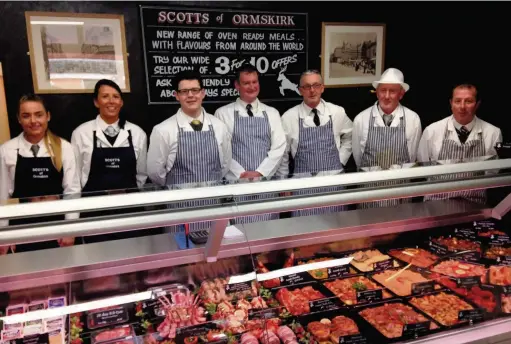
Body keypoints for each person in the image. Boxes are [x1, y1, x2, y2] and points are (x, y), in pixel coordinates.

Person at [147, 70, 232, 232]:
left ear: (203, 93)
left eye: (195, 90)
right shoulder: (163, 130)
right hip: (179, 211)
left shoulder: (220, 127)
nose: (190, 95)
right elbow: (155, 173)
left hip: (213, 208)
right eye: (184, 91)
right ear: (176, 95)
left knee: (219, 256)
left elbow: (225, 165)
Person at [71, 79, 152, 242]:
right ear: (96, 101)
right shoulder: (81, 133)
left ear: (121, 102)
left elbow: (142, 173)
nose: (111, 101)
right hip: (94, 209)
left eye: (115, 96)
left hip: (129, 209)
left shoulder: (137, 133)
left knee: (132, 256)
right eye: (105, 96)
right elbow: (76, 177)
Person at [0, 94, 80, 254]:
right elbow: (2, 196)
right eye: (26, 116)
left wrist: (70, 229)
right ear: (18, 119)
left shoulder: (64, 147)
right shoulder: (7, 150)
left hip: (56, 226)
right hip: (21, 227)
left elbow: (72, 192)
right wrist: (4, 234)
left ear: (48, 116)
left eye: (38, 114)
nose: (33, 121)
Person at [214, 63, 286, 223]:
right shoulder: (222, 114)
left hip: (266, 186)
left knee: (268, 235)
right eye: (246, 83)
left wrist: (260, 172)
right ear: (237, 85)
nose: (252, 86)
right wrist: (241, 174)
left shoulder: (272, 113)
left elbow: (279, 147)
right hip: (237, 186)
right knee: (239, 235)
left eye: (255, 82)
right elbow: (221, 150)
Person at [280, 69, 353, 217]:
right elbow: (283, 153)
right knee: (305, 234)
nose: (312, 90)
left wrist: (340, 160)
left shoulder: (337, 112)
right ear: (300, 90)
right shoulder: (288, 117)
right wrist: (283, 182)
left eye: (316, 85)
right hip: (303, 187)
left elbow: (350, 137)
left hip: (334, 186)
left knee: (336, 233)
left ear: (322, 87)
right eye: (306, 87)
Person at [417, 83, 502, 204]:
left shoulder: (493, 133)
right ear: (451, 103)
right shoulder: (432, 131)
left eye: (468, 101)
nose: (462, 106)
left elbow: (493, 174)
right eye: (457, 101)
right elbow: (423, 167)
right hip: (435, 204)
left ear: (477, 104)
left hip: (475, 205)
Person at [352, 67, 422, 208]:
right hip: (368, 193)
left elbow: (413, 156)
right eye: (383, 90)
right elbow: (358, 158)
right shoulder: (361, 119)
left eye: (393, 91)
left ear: (401, 94)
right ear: (377, 92)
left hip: (400, 192)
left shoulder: (413, 119)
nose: (387, 96)